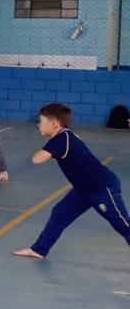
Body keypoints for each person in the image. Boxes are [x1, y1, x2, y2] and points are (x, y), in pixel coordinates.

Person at [13, 103, 130, 260]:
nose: (39, 124)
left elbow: (37, 159)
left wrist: (40, 151)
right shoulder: (64, 136)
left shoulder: (62, 138)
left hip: (102, 187)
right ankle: (39, 250)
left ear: (53, 123)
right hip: (83, 189)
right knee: (60, 213)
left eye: (41, 121)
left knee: (121, 224)